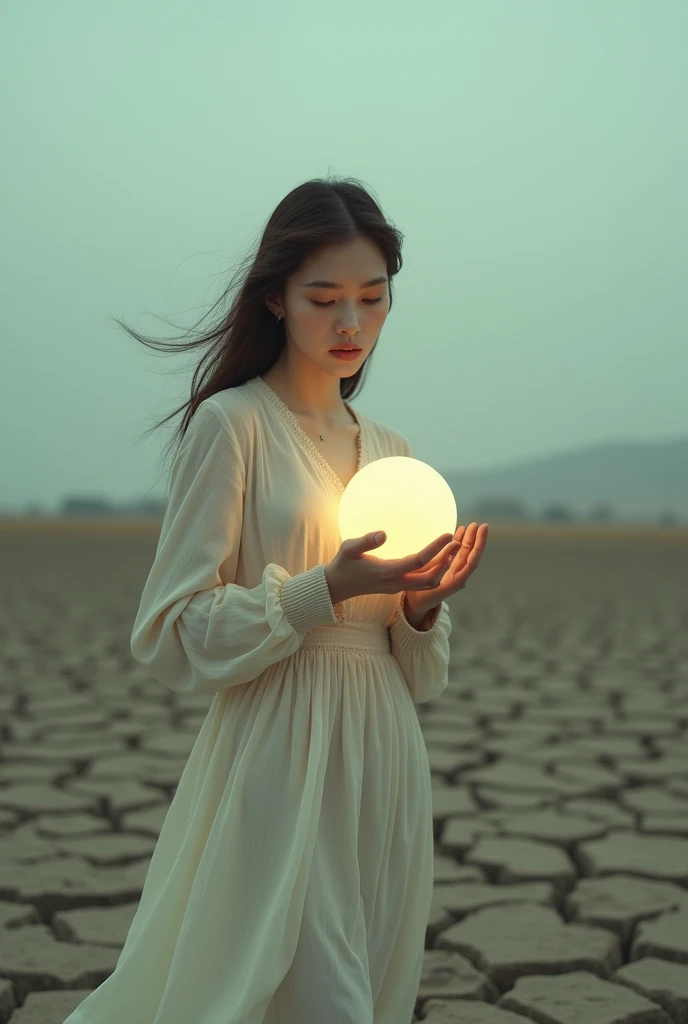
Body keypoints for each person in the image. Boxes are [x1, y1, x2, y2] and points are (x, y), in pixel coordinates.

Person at [63, 176, 488, 1024]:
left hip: (383, 754)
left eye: (372, 298)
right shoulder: (235, 426)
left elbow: (420, 674)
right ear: (275, 298)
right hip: (280, 746)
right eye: (324, 298)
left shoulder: (394, 453)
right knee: (304, 994)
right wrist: (324, 588)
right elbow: (174, 628)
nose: (350, 324)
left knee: (361, 976)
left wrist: (420, 608)